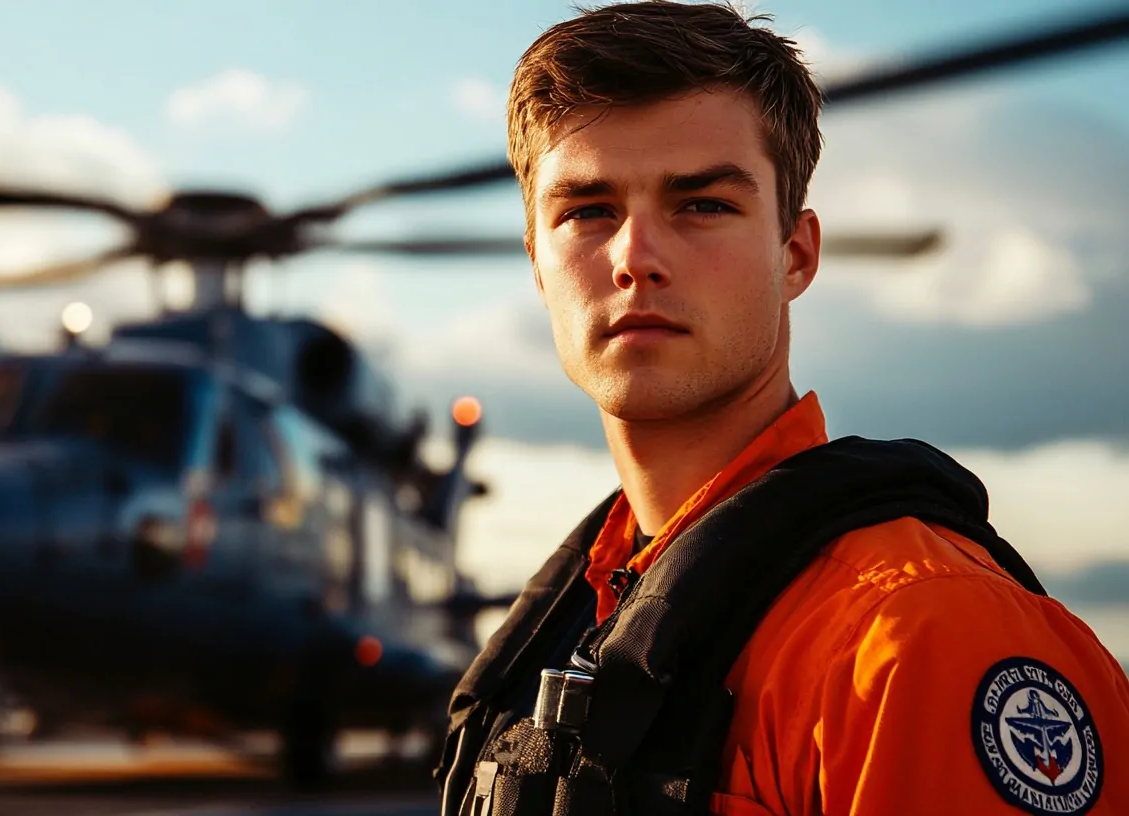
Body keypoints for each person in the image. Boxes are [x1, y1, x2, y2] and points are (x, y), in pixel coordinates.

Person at [436, 2, 1129, 814]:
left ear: (795, 253)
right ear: (538, 263)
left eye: (702, 204)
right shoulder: (581, 610)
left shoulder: (920, 635)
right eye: (588, 211)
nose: (636, 259)